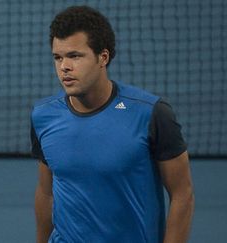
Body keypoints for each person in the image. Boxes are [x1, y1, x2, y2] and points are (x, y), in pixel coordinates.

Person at [31, 5, 194, 243]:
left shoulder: (152, 114)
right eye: (58, 57)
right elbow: (46, 193)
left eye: (75, 56)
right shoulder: (42, 116)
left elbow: (182, 194)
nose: (64, 66)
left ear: (103, 57)